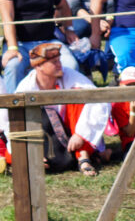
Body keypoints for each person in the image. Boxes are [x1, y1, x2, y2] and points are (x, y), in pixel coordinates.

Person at [0, 43, 110, 176]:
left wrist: (81, 134)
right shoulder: (26, 87)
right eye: (54, 62)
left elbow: (98, 100)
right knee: (15, 156)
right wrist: (30, 155)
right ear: (39, 66)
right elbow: (14, 125)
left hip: (73, 131)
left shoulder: (70, 75)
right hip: (44, 136)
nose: (60, 65)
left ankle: (83, 157)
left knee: (78, 96)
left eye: (59, 60)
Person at [1, 0, 79, 93]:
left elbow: (63, 5)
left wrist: (69, 29)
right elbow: (8, 17)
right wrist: (12, 48)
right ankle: (13, 110)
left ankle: (66, 107)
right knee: (13, 66)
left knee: (70, 65)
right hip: (20, 44)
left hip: (48, 41)